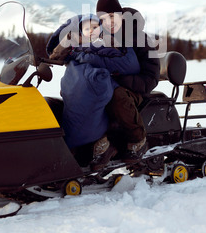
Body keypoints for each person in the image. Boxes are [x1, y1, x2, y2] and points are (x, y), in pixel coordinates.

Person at [46, 13, 140, 171]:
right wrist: (67, 43)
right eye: (87, 28)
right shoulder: (76, 44)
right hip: (76, 86)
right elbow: (56, 54)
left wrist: (88, 58)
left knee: (90, 106)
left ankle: (101, 143)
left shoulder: (108, 43)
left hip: (96, 86)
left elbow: (124, 62)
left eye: (95, 27)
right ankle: (76, 147)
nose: (91, 30)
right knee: (71, 108)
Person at [94, 0, 160, 167]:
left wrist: (122, 78)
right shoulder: (100, 40)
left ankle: (138, 140)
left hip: (136, 90)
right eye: (103, 18)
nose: (108, 22)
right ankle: (96, 142)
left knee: (117, 95)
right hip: (110, 85)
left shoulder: (141, 39)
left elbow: (152, 77)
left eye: (111, 16)